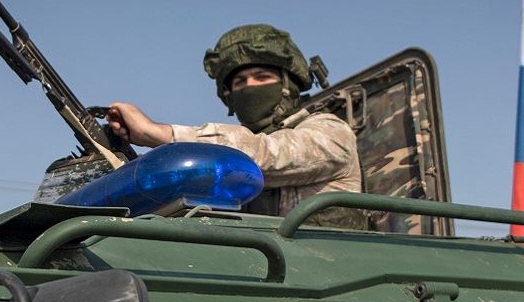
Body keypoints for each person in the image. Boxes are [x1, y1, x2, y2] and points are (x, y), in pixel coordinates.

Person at [106, 24, 364, 226]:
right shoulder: (230, 159)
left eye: (262, 77)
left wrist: (161, 134)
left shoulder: (331, 131)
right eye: (240, 82)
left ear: (289, 85)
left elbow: (267, 154)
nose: (250, 87)